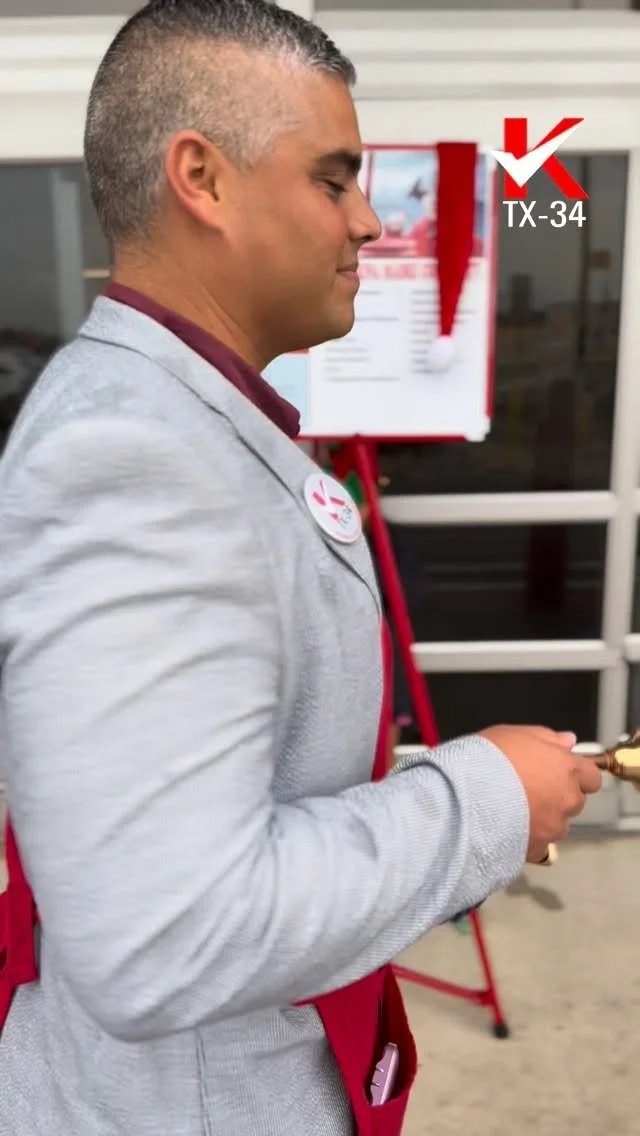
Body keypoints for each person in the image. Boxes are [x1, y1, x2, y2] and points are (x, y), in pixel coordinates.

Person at [0, 2, 601, 1135]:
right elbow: (167, 933)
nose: (368, 220)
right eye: (333, 179)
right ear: (202, 178)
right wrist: (484, 799)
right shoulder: (131, 457)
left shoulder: (181, 419)